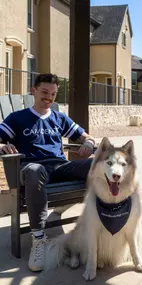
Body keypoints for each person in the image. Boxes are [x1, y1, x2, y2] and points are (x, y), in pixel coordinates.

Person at [0, 73, 96, 272]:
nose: (49, 97)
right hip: (32, 168)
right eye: (44, 92)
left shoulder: (59, 117)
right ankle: (39, 240)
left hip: (60, 166)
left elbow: (85, 135)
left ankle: (96, 228)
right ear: (33, 91)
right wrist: (3, 146)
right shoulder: (18, 118)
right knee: (35, 170)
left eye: (53, 94)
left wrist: (88, 142)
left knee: (98, 164)